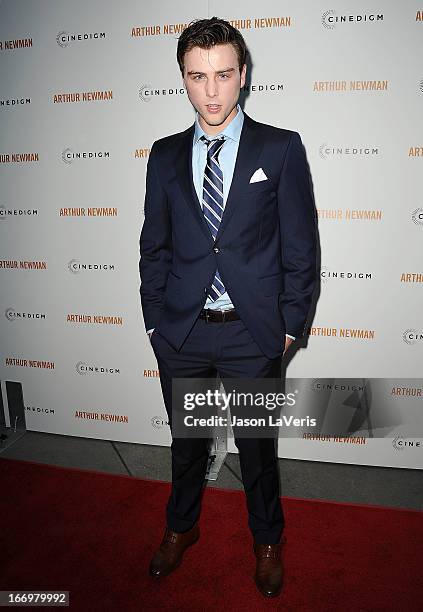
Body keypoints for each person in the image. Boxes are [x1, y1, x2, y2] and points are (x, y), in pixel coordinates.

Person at [139, 17, 317, 598]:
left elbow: (300, 245)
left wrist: (291, 324)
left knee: (257, 451)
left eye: (222, 75)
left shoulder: (280, 147)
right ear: (183, 81)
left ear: (242, 75)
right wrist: (154, 320)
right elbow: (154, 245)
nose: (210, 92)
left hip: (251, 333)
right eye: (197, 77)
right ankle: (180, 528)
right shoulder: (164, 156)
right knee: (187, 445)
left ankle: (267, 541)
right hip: (184, 332)